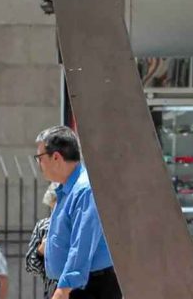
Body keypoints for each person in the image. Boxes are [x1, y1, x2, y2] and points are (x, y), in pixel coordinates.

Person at [35, 126, 122, 299]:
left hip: (89, 287)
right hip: (77, 286)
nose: (39, 164)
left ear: (56, 157)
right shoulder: (68, 189)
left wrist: (63, 289)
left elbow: (82, 244)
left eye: (40, 158)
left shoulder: (84, 190)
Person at [26, 183, 60, 299]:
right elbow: (30, 266)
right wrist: (40, 251)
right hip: (53, 290)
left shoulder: (79, 225)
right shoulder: (44, 227)